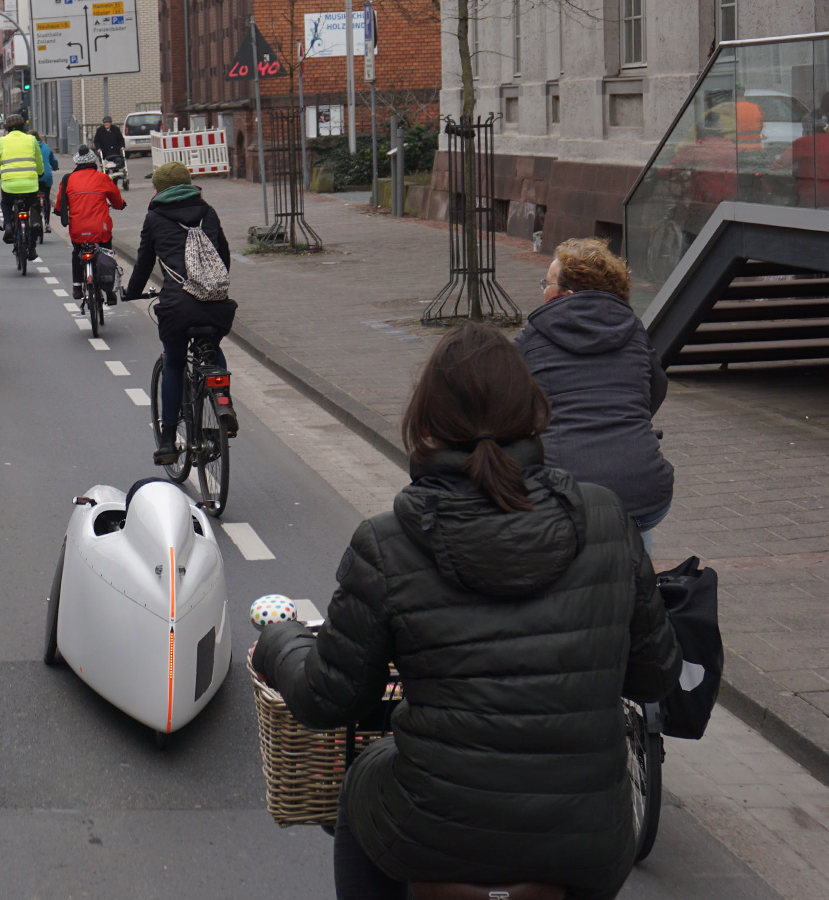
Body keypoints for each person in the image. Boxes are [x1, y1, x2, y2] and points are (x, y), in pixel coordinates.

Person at [251, 321, 682, 900]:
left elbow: (330, 698)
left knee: (363, 779)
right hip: (588, 840)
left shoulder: (387, 543)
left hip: (430, 832)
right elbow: (656, 675)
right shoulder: (607, 519)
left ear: (426, 424)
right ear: (534, 414)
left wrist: (281, 641)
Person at [516, 238, 674, 552]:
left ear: (565, 295)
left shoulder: (531, 338)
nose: (543, 292)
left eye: (546, 284)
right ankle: (637, 577)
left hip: (563, 495)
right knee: (628, 519)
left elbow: (506, 407)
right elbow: (656, 392)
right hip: (646, 493)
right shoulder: (634, 330)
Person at [122, 162, 237, 465]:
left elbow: (144, 262)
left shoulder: (154, 217)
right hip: (216, 305)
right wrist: (213, 287)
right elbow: (223, 257)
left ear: (158, 189)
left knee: (173, 363)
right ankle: (224, 402)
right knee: (212, 349)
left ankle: (168, 442)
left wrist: (131, 292)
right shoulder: (208, 212)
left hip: (177, 307)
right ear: (188, 183)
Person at [54, 145, 125, 304]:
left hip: (78, 229)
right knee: (106, 252)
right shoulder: (102, 178)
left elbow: (59, 203)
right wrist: (121, 205)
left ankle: (77, 286)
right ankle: (110, 292)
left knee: (77, 252)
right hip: (100, 229)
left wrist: (58, 211)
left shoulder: (68, 179)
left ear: (76, 162)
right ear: (93, 161)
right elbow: (116, 200)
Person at [0, 114, 45, 249]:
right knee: (31, 205)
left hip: (10, 186)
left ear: (7, 128)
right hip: (30, 185)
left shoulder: (2, 141)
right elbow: (39, 160)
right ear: (23, 126)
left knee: (5, 203)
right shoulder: (31, 139)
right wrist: (40, 172)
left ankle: (8, 225)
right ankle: (31, 243)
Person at [31, 130, 58, 232]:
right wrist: (55, 167)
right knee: (46, 198)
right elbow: (53, 161)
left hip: (33, 176)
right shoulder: (46, 147)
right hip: (46, 176)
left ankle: (34, 220)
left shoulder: (28, 148)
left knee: (32, 199)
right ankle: (47, 223)